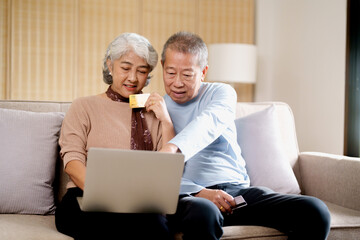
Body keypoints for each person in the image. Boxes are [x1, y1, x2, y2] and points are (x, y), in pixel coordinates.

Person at [160, 31, 331, 240]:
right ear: (162, 67)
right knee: (204, 212)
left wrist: (172, 148)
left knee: (314, 210)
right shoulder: (157, 108)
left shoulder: (222, 93)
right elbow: (153, 174)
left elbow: (208, 123)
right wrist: (197, 191)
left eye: (187, 75)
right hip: (189, 196)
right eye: (170, 73)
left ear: (203, 72)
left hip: (236, 193)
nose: (177, 82)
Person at [55, 33, 174, 240]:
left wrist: (166, 121)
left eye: (142, 71)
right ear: (110, 66)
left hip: (140, 203)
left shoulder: (154, 112)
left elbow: (167, 170)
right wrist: (111, 196)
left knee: (156, 225)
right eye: (125, 68)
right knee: (111, 224)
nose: (133, 78)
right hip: (86, 196)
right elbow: (72, 163)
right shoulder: (84, 106)